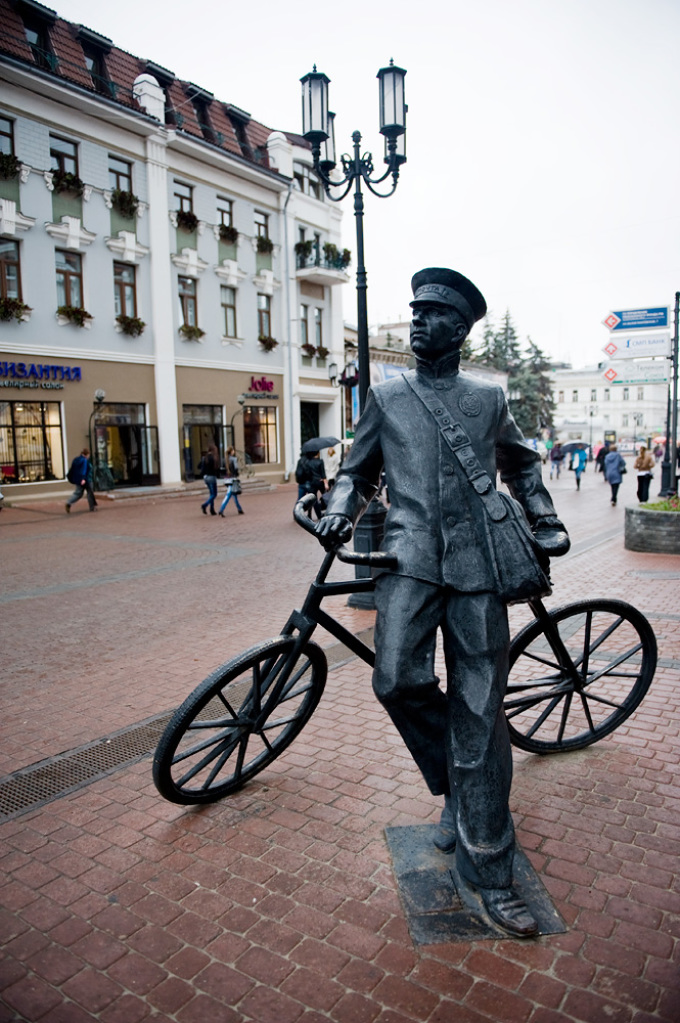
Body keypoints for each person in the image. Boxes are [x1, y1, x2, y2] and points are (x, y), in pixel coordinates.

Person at [316, 267, 570, 937]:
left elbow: (521, 463)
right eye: (415, 311)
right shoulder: (388, 395)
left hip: (479, 562)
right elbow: (356, 470)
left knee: (481, 713)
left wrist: (543, 518)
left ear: (459, 329)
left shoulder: (487, 400)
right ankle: (458, 789)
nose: (419, 321)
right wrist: (340, 511)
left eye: (432, 314)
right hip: (407, 559)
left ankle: (490, 872)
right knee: (397, 678)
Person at [65, 448, 96, 513]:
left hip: (78, 480)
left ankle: (69, 502)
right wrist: (83, 478)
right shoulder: (84, 460)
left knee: (78, 493)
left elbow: (72, 469)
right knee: (90, 493)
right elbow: (84, 470)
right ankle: (92, 507)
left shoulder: (76, 460)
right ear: (87, 454)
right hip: (87, 479)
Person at [218, 446, 244, 516]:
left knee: (234, 494)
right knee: (229, 494)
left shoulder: (224, 460)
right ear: (231, 451)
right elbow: (236, 469)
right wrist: (237, 474)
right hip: (232, 479)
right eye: (233, 451)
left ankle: (239, 509)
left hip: (226, 479)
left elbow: (222, 470)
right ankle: (221, 509)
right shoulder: (234, 459)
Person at [200, 443, 219, 515]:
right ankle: (205, 505)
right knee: (214, 494)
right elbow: (216, 468)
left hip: (206, 477)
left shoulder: (205, 457)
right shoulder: (214, 458)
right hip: (212, 477)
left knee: (211, 494)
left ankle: (212, 509)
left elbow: (200, 466)